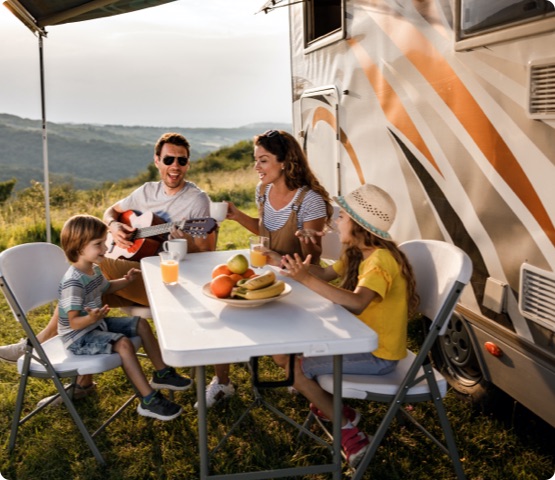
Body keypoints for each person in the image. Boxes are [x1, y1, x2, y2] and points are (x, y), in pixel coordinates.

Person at [0, 132, 214, 402]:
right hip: (132, 275)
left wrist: (186, 243)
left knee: (84, 275)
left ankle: (31, 345)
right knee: (84, 295)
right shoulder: (146, 191)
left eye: (181, 161)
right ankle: (81, 381)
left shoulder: (196, 200)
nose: (175, 166)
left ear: (188, 164)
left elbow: (207, 251)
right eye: (168, 159)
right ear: (157, 161)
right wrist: (114, 226)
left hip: (167, 282)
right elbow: (111, 212)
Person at [275, 184, 420, 468]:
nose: (337, 220)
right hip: (357, 341)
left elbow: (357, 302)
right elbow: (325, 274)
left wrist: (305, 280)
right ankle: (337, 409)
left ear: (359, 224)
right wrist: (289, 264)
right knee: (284, 354)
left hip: (378, 355)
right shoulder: (359, 253)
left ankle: (347, 429)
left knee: (294, 368)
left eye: (342, 216)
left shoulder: (380, 261)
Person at [198, 129, 334, 409]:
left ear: (284, 162)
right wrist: (238, 217)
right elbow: (264, 231)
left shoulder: (310, 200)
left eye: (263, 160)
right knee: (221, 313)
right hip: (267, 275)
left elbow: (313, 258)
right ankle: (223, 382)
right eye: (255, 160)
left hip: (300, 284)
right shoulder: (263, 191)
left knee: (275, 349)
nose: (256, 167)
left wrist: (305, 244)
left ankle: (303, 373)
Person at [57, 214, 190, 420]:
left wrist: (126, 280)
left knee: (141, 324)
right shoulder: (73, 282)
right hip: (78, 338)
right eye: (98, 244)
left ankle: (162, 373)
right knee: (124, 343)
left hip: (95, 325)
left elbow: (107, 287)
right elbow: (73, 322)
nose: (104, 249)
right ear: (78, 248)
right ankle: (148, 399)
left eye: (104, 243)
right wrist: (91, 319)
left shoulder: (93, 269)